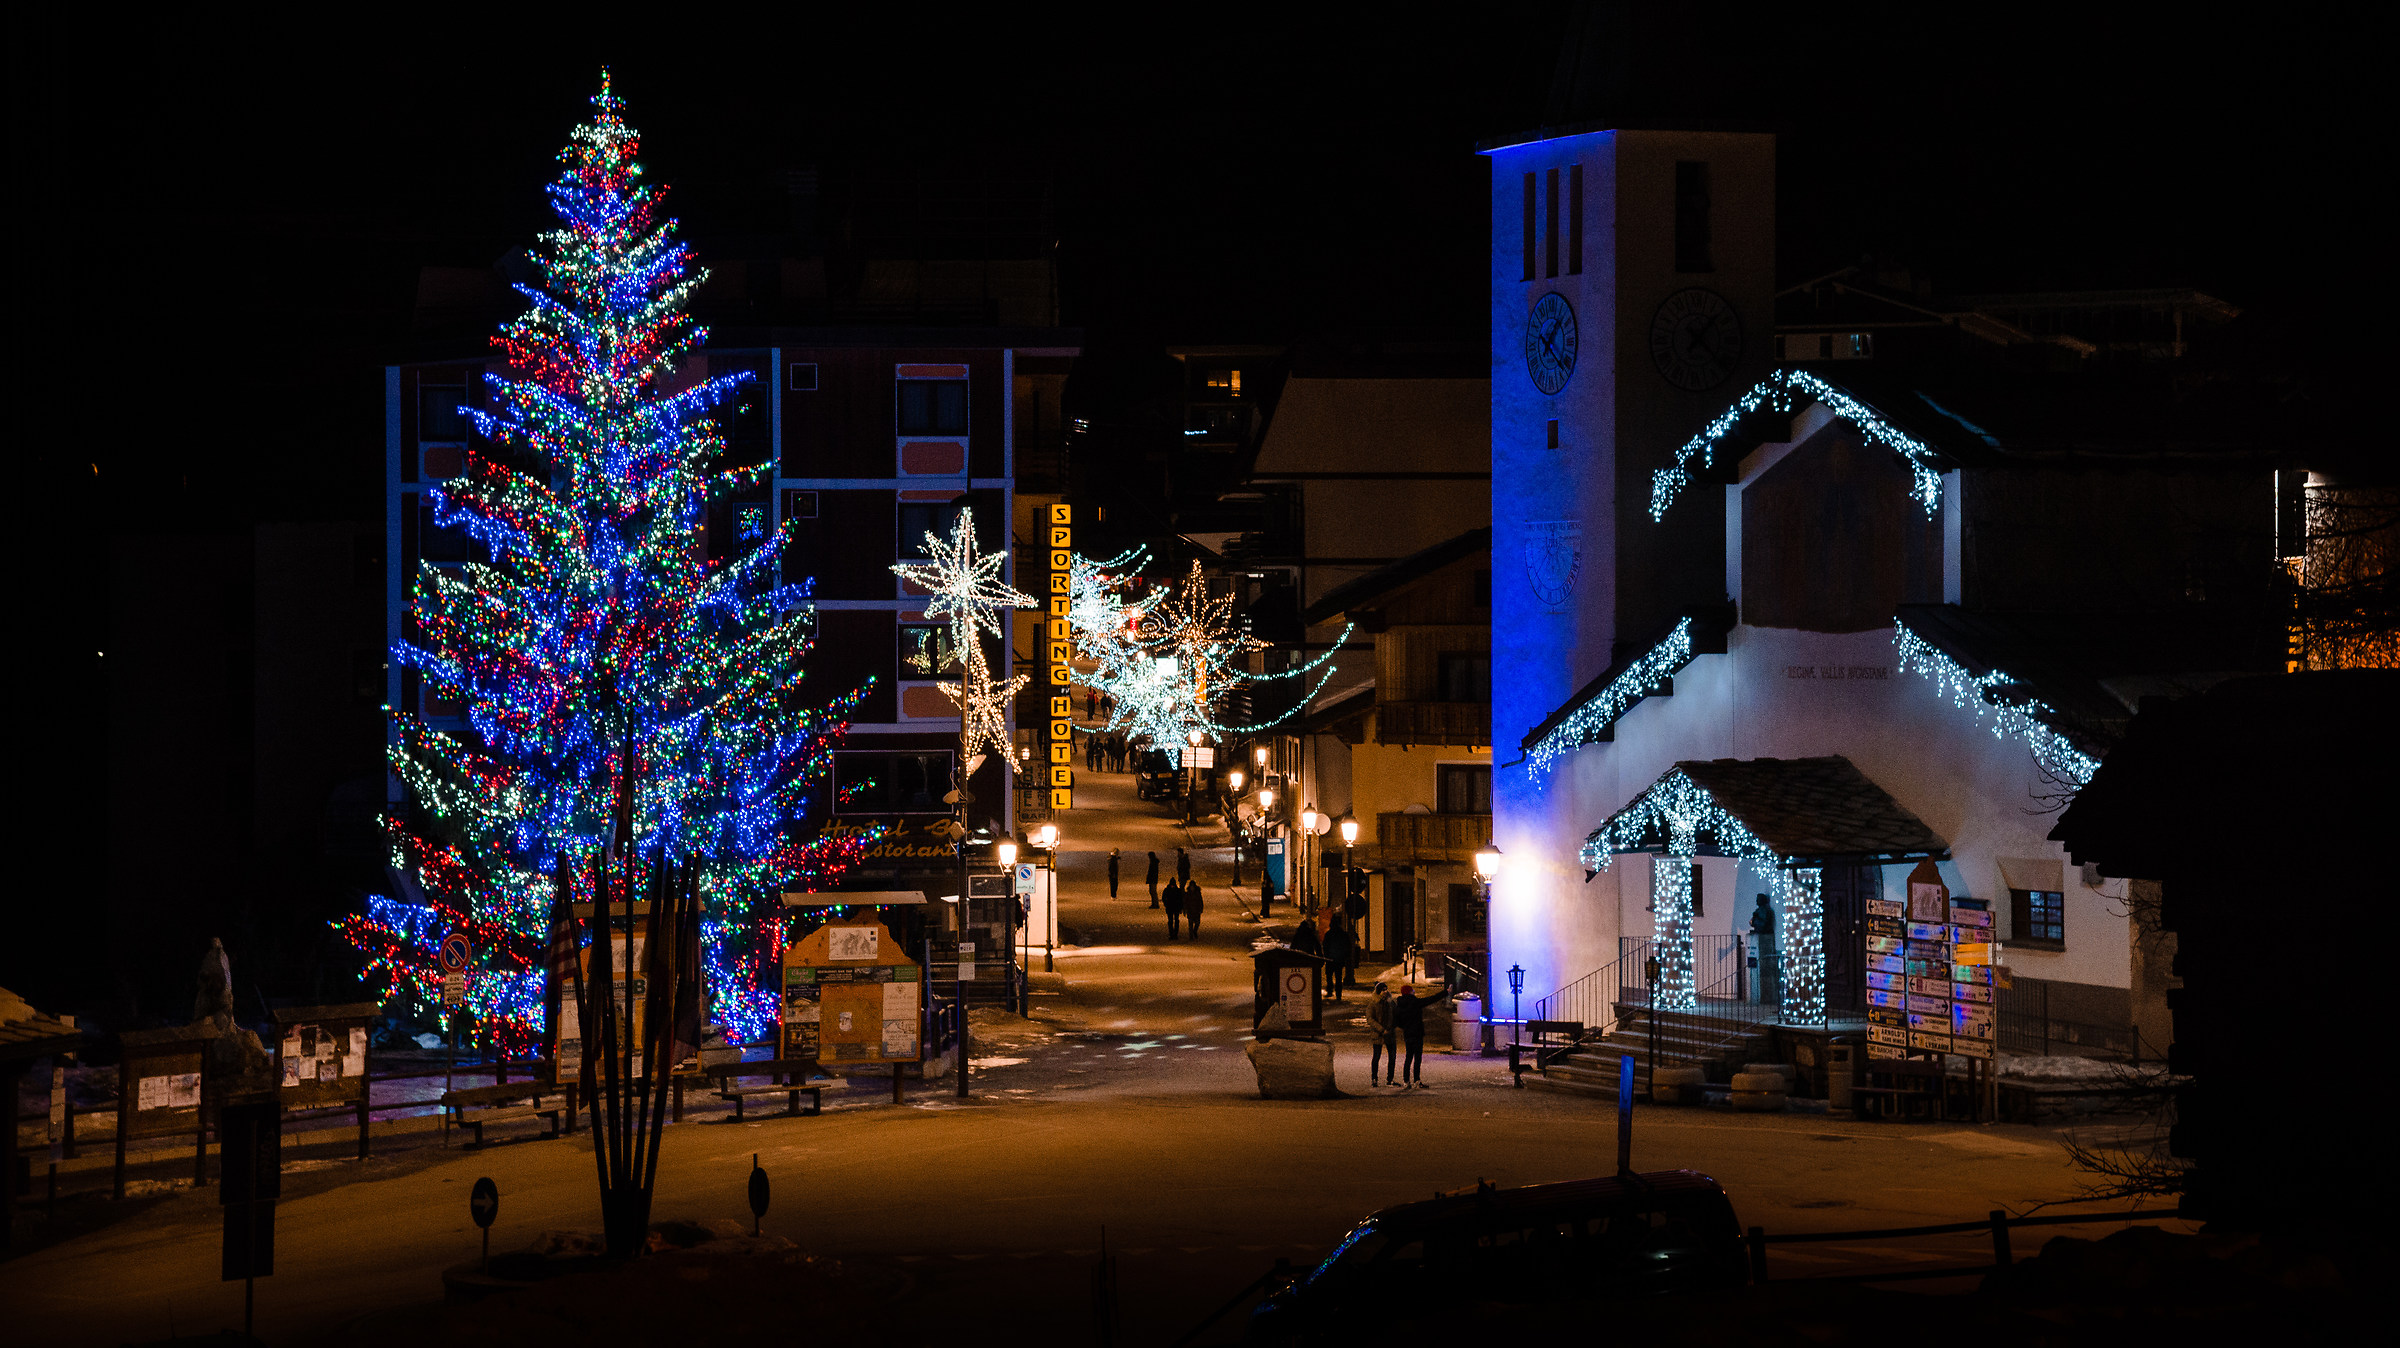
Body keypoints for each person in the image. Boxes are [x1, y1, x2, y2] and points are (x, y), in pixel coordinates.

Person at [1394, 981, 1451, 1088]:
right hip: (1417, 1033)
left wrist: (1405, 1027)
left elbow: (1397, 1021)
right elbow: (1431, 999)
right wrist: (1445, 992)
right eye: (1412, 990)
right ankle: (1417, 1080)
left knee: (1408, 1057)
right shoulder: (1415, 1002)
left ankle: (1406, 1081)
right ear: (1410, 992)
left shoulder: (1399, 1006)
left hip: (1408, 1033)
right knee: (1417, 1058)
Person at [1366, 983, 1398, 1087]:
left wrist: (1391, 1027)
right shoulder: (1373, 1003)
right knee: (1376, 1057)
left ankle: (1390, 1079)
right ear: (1378, 991)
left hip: (1390, 1033)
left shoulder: (1390, 1002)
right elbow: (1370, 1019)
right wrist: (1381, 1029)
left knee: (1392, 1057)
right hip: (1378, 1034)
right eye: (1383, 989)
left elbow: (1396, 1014)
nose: (1385, 991)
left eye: (1386, 989)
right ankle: (1374, 1078)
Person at [1750, 893, 1779, 1006]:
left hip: (1764, 935)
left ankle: (1766, 998)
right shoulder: (1760, 910)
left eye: (1758, 899)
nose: (1756, 901)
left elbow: (1763, 924)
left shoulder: (1764, 910)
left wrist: (1755, 920)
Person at [1323, 919, 1356, 1001]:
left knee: (1329, 976)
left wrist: (1326, 956)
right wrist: (1346, 956)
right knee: (1338, 977)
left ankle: (1330, 991)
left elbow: (1325, 946)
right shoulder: (1343, 934)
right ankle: (1338, 994)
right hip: (1339, 959)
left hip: (1330, 959)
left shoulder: (1328, 934)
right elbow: (1348, 946)